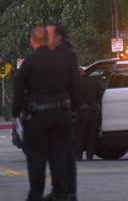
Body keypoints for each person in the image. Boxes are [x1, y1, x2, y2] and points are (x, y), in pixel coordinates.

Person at [12, 26, 80, 201]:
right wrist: (74, 109)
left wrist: (16, 114)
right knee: (60, 155)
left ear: (32, 41)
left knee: (36, 158)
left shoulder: (29, 62)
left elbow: (18, 91)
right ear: (46, 40)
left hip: (37, 116)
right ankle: (61, 192)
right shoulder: (64, 60)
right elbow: (75, 85)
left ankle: (36, 194)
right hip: (61, 114)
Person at [44, 23, 80, 201]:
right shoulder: (64, 54)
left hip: (61, 110)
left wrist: (74, 107)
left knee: (60, 154)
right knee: (62, 154)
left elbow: (74, 84)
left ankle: (64, 191)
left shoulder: (65, 56)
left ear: (59, 37)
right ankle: (65, 191)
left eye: (50, 35)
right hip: (61, 110)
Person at [75, 68, 103, 161]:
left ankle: (78, 156)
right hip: (94, 112)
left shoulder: (76, 83)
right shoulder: (94, 81)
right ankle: (89, 156)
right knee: (92, 135)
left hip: (82, 112)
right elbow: (100, 95)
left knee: (80, 135)